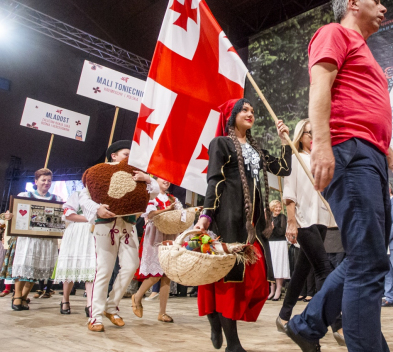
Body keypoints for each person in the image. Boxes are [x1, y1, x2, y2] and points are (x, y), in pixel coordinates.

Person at [286, 0, 393, 352]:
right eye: (375, 1)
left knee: (368, 256)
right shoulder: (334, 33)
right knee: (367, 260)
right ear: (351, 3)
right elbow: (319, 88)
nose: (383, 9)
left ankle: (307, 324)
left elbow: (370, 120)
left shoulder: (366, 53)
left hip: (371, 156)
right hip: (348, 152)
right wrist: (323, 146)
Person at [192, 98, 292, 352]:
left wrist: (284, 142)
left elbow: (283, 168)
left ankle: (216, 318)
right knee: (230, 279)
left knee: (256, 280)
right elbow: (214, 181)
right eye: (244, 110)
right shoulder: (221, 143)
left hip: (252, 225)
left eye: (252, 111)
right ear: (231, 115)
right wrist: (206, 215)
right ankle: (230, 341)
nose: (250, 114)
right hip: (227, 217)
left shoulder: (256, 149)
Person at [276, 118, 343, 346]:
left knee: (302, 271)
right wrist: (292, 221)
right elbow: (289, 191)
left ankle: (284, 315)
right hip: (304, 221)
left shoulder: (320, 161)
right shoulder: (295, 158)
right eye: (308, 133)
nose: (313, 137)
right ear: (300, 136)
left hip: (322, 219)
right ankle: (338, 325)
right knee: (324, 270)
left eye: (316, 133)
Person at [82, 140, 159, 332]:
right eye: (126, 154)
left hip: (128, 226)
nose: (129, 158)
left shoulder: (136, 175)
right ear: (113, 156)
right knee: (104, 270)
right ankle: (96, 316)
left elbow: (155, 192)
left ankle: (111, 305)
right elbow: (84, 197)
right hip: (105, 226)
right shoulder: (98, 173)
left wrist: (147, 179)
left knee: (132, 265)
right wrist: (97, 208)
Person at [1, 168, 64, 311]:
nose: (46, 183)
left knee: (36, 269)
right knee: (24, 266)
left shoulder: (57, 199)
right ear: (36, 181)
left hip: (46, 240)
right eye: (43, 180)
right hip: (27, 239)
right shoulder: (24, 195)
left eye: (49, 180)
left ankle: (24, 296)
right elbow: (13, 214)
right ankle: (17, 296)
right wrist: (9, 216)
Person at [130, 176, 183, 323]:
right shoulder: (151, 196)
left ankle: (162, 312)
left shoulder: (173, 199)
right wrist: (166, 210)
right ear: (155, 180)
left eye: (168, 179)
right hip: (155, 236)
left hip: (170, 234)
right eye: (163, 178)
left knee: (167, 274)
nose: (167, 181)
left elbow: (181, 215)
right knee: (157, 272)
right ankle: (138, 295)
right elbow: (150, 214)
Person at [53, 190, 96, 316]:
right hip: (76, 231)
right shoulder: (78, 194)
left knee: (91, 266)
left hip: (93, 232)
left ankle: (89, 303)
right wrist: (91, 218)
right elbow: (68, 215)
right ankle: (65, 299)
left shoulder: (101, 194)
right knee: (70, 265)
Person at [267, 200, 289, 301]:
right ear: (272, 208)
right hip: (271, 243)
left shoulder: (282, 217)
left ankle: (278, 290)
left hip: (280, 243)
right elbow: (265, 233)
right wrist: (269, 229)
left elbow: (281, 231)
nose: (278, 209)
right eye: (276, 207)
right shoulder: (268, 217)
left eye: (280, 207)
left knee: (279, 266)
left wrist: (273, 228)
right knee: (272, 267)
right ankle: (272, 290)